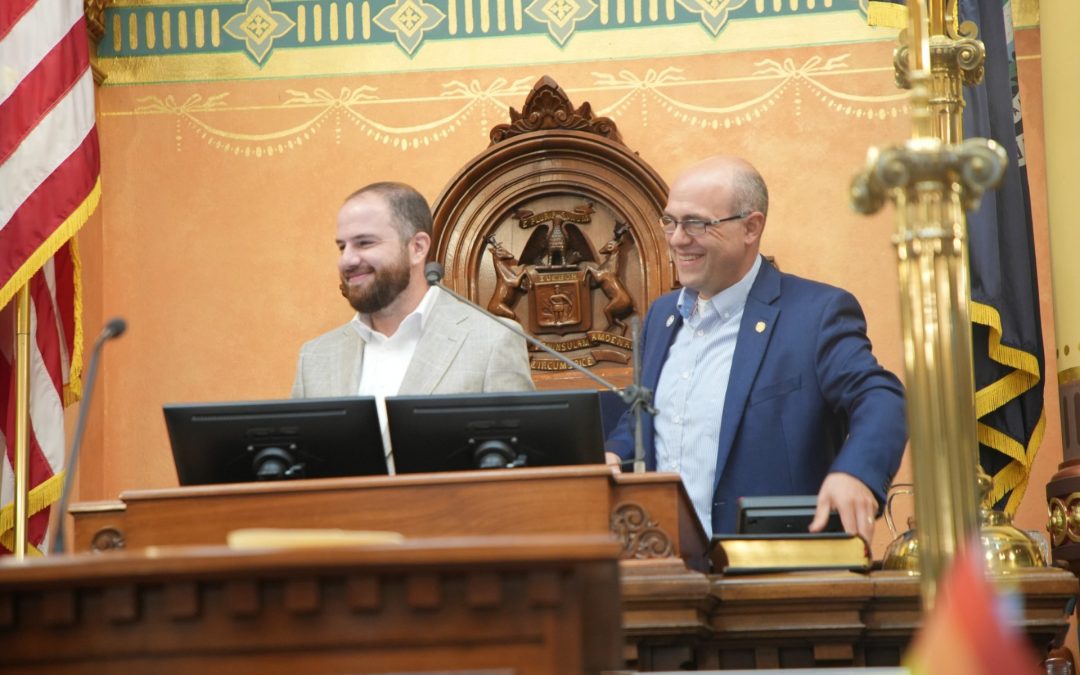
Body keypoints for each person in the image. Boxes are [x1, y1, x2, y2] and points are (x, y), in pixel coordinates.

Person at [605, 156, 906, 541]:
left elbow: (881, 397)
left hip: (770, 576)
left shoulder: (816, 315)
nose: (678, 238)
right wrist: (614, 455)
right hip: (665, 570)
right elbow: (642, 415)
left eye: (696, 223)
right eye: (670, 222)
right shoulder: (662, 316)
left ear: (751, 227)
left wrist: (856, 473)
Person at [292, 182, 535, 465]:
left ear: (417, 248)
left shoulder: (493, 341)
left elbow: (518, 476)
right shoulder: (315, 357)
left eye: (365, 243)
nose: (347, 260)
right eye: (342, 246)